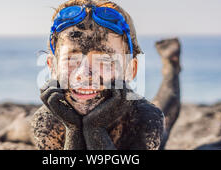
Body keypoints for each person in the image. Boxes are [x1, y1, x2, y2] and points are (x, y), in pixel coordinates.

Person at [30, 0, 181, 150]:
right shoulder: (46, 121)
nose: (84, 74)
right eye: (71, 60)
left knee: (165, 110)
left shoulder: (144, 118)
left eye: (103, 61)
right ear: (52, 67)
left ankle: (171, 68)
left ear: (131, 70)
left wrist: (95, 128)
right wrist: (73, 128)